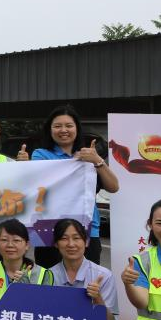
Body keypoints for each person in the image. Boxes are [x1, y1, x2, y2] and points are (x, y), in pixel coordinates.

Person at [28, 105, 119, 265]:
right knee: (51, 279)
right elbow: (45, 184)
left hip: (87, 229)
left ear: (77, 128)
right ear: (50, 130)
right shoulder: (40, 154)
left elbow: (113, 187)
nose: (64, 130)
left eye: (69, 125)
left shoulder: (90, 156)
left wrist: (97, 160)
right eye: (57, 126)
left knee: (88, 279)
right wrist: (74, 163)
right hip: (50, 230)